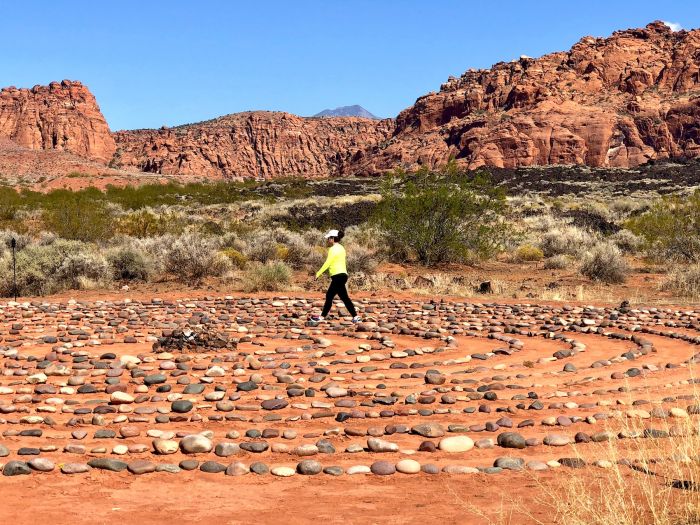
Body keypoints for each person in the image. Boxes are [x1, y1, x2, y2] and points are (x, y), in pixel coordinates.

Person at [311, 229, 361, 323]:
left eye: (329, 238)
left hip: (337, 276)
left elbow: (328, 262)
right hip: (343, 275)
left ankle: (321, 317)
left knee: (329, 296)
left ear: (333, 238)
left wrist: (318, 273)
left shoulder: (333, 249)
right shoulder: (342, 248)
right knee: (344, 297)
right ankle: (356, 317)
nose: (328, 240)